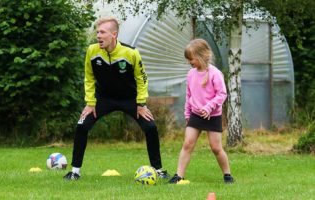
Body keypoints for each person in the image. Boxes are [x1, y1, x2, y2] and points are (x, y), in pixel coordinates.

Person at [63, 17, 169, 181]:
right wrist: (90, 103)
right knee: (82, 126)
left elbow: (142, 79)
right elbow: (89, 77)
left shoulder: (131, 53)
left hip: (130, 99)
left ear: (114, 34)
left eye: (102, 32)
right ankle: (75, 172)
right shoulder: (92, 51)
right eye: (97, 32)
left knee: (150, 127)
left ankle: (158, 170)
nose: (98, 35)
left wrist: (141, 104)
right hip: (103, 99)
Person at [168, 39, 234, 184]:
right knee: (187, 144)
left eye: (191, 58)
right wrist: (187, 114)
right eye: (188, 59)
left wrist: (209, 107)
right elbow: (189, 95)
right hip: (195, 115)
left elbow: (222, 94)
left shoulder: (215, 74)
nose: (189, 61)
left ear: (202, 55)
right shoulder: (191, 74)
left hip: (213, 116)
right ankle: (178, 176)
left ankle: (227, 175)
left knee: (216, 148)